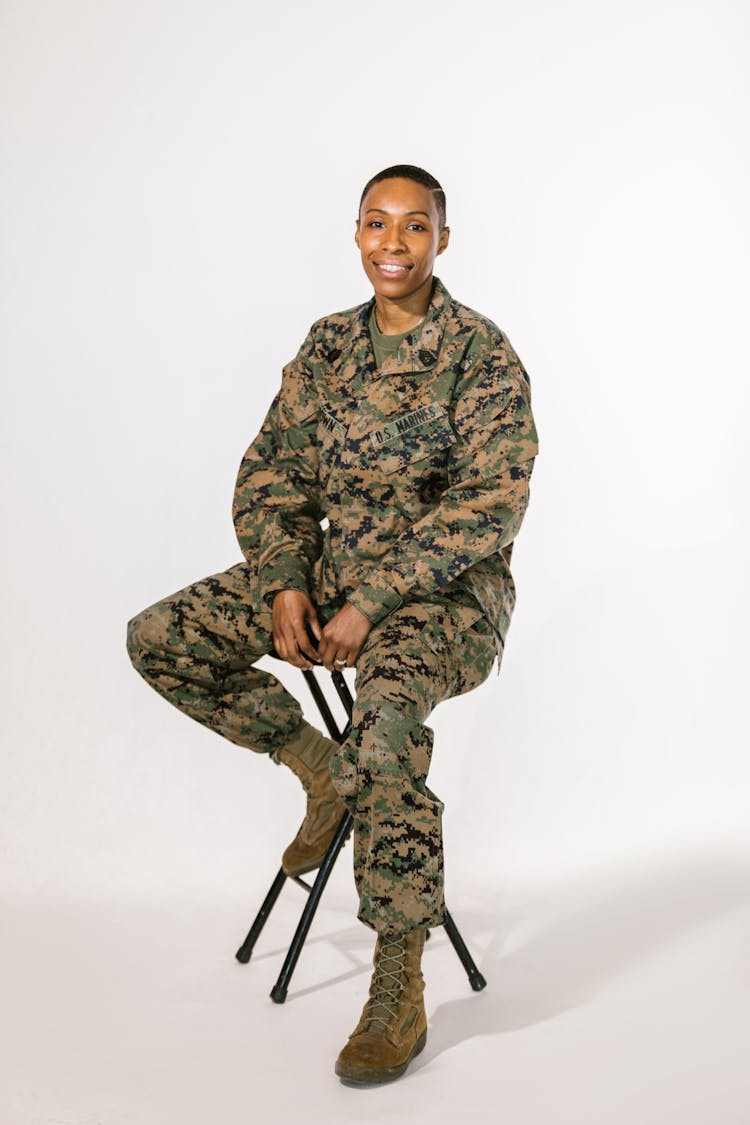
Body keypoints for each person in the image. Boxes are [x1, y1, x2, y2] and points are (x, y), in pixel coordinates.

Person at [126, 164, 539, 1085]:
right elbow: (272, 470)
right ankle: (321, 772)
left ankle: (399, 982)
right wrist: (283, 584)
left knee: (384, 721)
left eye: (415, 227)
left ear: (442, 238)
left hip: (443, 601)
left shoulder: (480, 354)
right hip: (328, 576)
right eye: (376, 225)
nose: (393, 245)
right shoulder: (327, 347)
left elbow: (489, 505)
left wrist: (370, 601)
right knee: (160, 637)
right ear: (355, 233)